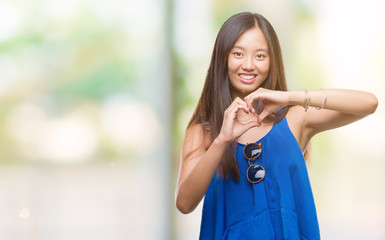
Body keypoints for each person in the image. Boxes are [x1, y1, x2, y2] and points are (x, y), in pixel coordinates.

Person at [175, 12, 378, 240]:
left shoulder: (294, 119)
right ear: (222, 57)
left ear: (272, 61)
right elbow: (184, 203)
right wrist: (222, 139)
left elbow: (368, 103)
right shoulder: (203, 133)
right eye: (238, 54)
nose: (249, 65)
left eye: (260, 56)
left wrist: (291, 97)